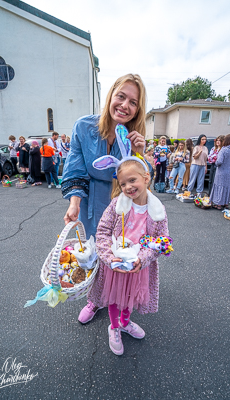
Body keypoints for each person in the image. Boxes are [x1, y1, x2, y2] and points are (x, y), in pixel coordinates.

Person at [61, 73, 147, 323]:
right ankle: (95, 299)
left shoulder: (133, 137)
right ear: (111, 95)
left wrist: (140, 154)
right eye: (121, 96)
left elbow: (141, 183)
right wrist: (74, 202)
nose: (125, 105)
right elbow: (75, 167)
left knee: (118, 253)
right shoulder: (84, 127)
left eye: (133, 102)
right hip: (89, 200)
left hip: (120, 205)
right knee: (93, 251)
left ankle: (118, 299)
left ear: (137, 110)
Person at [87, 159, 168, 355]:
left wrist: (145, 258)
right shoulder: (117, 205)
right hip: (115, 265)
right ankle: (114, 326)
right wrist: (107, 256)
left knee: (130, 297)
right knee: (115, 297)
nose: (128, 187)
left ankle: (124, 322)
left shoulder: (157, 211)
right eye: (123, 183)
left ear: (146, 177)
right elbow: (103, 231)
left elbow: (161, 240)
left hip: (138, 267)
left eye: (132, 180)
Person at [209, 134, 230, 210]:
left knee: (220, 186)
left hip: (222, 172)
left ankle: (219, 204)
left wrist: (215, 163)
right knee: (228, 187)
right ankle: (226, 203)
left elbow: (219, 162)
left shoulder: (224, 149)